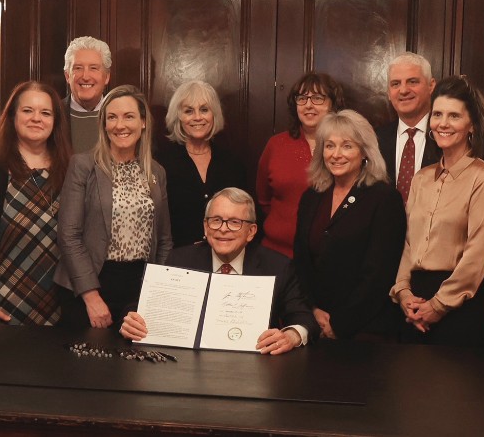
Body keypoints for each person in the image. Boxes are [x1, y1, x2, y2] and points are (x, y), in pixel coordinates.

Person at [119, 188, 320, 354]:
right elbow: (137, 305)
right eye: (216, 220)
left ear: (251, 232)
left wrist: (290, 336)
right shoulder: (180, 259)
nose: (223, 229)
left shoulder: (277, 266)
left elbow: (304, 318)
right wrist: (131, 321)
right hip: (186, 368)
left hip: (254, 369)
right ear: (206, 228)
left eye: (234, 222)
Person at [390, 76, 484, 347]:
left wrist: (439, 305)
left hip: (460, 307)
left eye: (454, 116)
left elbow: (479, 253)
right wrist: (404, 292)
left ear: (471, 126)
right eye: (438, 114)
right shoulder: (421, 178)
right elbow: (409, 244)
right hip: (415, 304)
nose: (443, 123)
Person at [56, 85, 172, 329]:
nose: (120, 125)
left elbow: (164, 240)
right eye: (112, 117)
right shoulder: (83, 165)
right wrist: (91, 296)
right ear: (104, 124)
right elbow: (69, 235)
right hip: (91, 284)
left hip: (138, 288)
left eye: (129, 116)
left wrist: (155, 293)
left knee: (136, 366)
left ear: (142, 122)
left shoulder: (156, 172)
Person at [0, 81, 72, 326]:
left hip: (62, 308)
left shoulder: (71, 173)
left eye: (45, 112)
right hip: (1, 305)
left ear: (56, 121)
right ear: (12, 116)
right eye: (27, 110)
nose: (36, 118)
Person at [293, 110, 406, 341]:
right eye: (329, 146)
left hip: (365, 330)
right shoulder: (311, 196)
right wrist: (312, 310)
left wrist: (340, 324)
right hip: (317, 325)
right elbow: (301, 262)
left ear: (364, 152)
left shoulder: (384, 199)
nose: (336, 154)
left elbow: (379, 274)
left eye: (347, 146)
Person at [256, 72, 344, 257]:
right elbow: (263, 200)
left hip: (328, 256)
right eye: (302, 98)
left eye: (318, 98)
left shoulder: (346, 147)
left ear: (332, 104)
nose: (309, 105)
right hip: (275, 254)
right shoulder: (276, 144)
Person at [156, 80, 247, 247]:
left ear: (214, 115)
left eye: (204, 110)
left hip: (225, 260)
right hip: (177, 263)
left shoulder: (232, 163)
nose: (197, 117)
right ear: (178, 117)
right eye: (189, 111)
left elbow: (247, 216)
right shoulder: (161, 164)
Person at [376, 52, 440, 203]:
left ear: (431, 86)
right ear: (388, 93)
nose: (403, 90)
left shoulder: (447, 136)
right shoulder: (375, 139)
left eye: (412, 82)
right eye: (395, 84)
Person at [63, 36, 113, 152]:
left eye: (93, 68)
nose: (85, 76)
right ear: (67, 76)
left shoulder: (121, 117)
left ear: (107, 77)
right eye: (78, 68)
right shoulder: (52, 114)